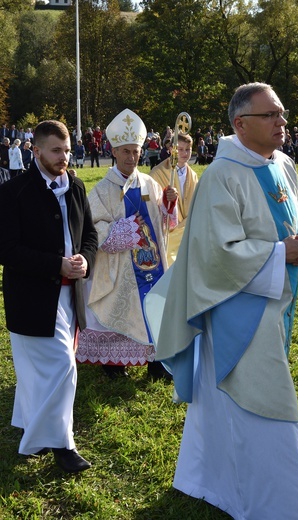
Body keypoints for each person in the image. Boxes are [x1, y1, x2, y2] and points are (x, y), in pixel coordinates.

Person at [145, 83, 298, 520]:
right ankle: (280, 503)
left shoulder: (281, 163)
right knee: (259, 398)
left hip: (278, 299)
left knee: (226, 403)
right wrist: (283, 252)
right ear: (241, 124)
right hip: (237, 308)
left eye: (282, 113)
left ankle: (211, 478)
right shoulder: (222, 175)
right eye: (272, 116)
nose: (283, 122)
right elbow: (216, 253)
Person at [0, 120, 98, 473]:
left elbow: (90, 235)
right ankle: (61, 445)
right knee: (61, 366)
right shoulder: (15, 192)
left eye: (68, 149)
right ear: (36, 150)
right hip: (31, 296)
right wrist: (55, 264)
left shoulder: (76, 187)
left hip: (71, 297)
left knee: (41, 370)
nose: (65, 157)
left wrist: (86, 259)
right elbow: (7, 249)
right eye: (56, 150)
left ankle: (35, 433)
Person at [76, 108, 178, 381]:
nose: (132, 157)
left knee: (154, 310)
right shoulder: (102, 190)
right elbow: (93, 228)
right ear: (114, 151)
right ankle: (113, 362)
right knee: (120, 307)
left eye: (136, 151)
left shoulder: (149, 183)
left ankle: (156, 362)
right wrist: (124, 230)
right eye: (126, 152)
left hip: (152, 264)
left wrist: (169, 202)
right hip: (120, 264)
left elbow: (165, 223)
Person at [150, 133, 198, 265]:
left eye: (187, 149)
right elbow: (152, 204)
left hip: (188, 231)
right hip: (168, 233)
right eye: (180, 149)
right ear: (171, 149)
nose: (184, 153)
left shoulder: (193, 175)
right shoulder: (158, 173)